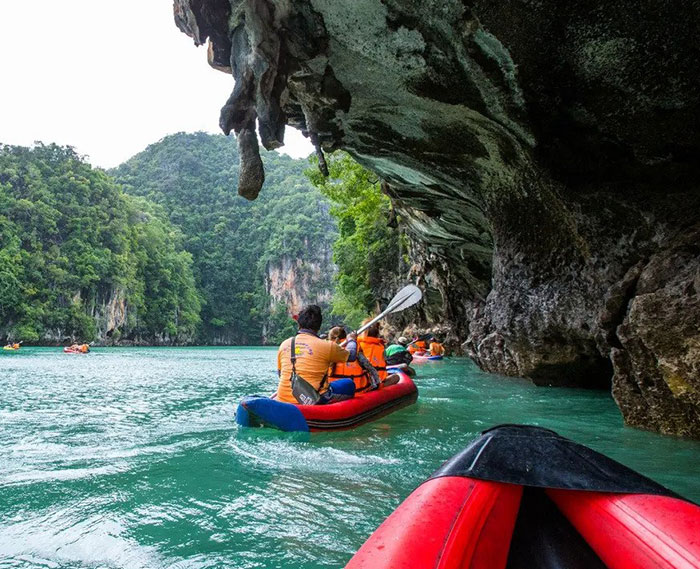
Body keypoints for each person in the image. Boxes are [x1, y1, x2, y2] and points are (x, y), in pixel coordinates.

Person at [276, 305, 357, 404]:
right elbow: (352, 355)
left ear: (299, 324)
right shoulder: (328, 346)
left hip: (283, 398)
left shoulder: (284, 344)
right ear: (319, 326)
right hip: (313, 398)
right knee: (349, 383)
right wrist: (351, 340)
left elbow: (280, 374)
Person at [328, 326, 380, 392]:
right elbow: (371, 370)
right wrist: (377, 384)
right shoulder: (356, 351)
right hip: (357, 393)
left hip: (334, 395)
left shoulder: (326, 352)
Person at [358, 321, 400, 386]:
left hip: (362, 382)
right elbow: (385, 362)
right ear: (377, 334)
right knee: (396, 377)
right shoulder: (381, 346)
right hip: (378, 382)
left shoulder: (357, 345)